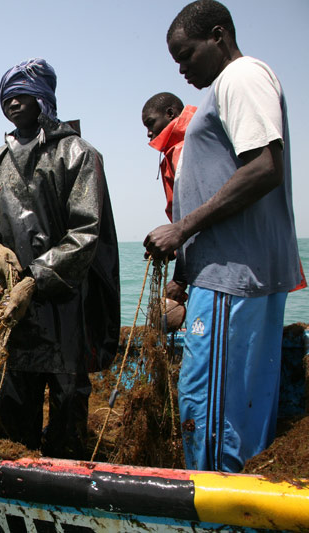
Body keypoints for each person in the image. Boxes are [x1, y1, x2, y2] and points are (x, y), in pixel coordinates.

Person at [144, 0, 302, 472]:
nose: (182, 68)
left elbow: (264, 168)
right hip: (227, 274)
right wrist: (185, 270)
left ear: (218, 35)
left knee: (209, 407)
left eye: (187, 54)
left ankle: (217, 512)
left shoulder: (240, 77)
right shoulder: (229, 87)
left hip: (231, 277)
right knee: (243, 407)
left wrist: (183, 228)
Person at [0, 58, 120, 458]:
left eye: (22, 93)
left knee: (68, 398)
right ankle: (16, 473)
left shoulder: (78, 153)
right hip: (12, 309)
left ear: (44, 98)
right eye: (6, 96)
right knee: (14, 398)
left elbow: (86, 232)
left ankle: (66, 472)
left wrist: (34, 279)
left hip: (66, 304)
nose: (13, 102)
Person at [141, 92, 196, 222]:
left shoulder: (185, 148)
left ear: (170, 114)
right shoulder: (174, 151)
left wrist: (181, 231)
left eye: (151, 123)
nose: (148, 133)